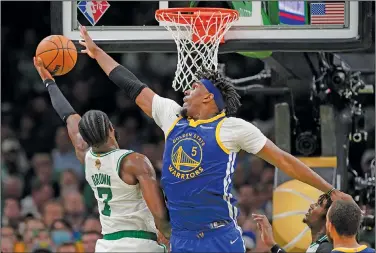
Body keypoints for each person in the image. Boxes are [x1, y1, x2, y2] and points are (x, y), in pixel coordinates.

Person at [79, 25, 353, 253]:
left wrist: (329, 190)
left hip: (219, 236)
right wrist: (98, 53)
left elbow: (283, 160)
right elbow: (133, 87)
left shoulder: (232, 128)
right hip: (182, 237)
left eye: (194, 87)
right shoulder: (172, 116)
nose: (186, 90)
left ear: (209, 97)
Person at [33, 57, 170, 252]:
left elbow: (68, 116)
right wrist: (170, 237)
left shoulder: (86, 157)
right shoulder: (134, 161)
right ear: (111, 128)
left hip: (107, 245)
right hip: (140, 243)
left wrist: (49, 82)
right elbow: (158, 212)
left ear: (85, 138)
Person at [253, 194, 334, 253]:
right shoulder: (318, 245)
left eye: (319, 204)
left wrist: (272, 244)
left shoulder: (326, 248)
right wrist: (271, 243)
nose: (311, 205)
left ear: (327, 216)